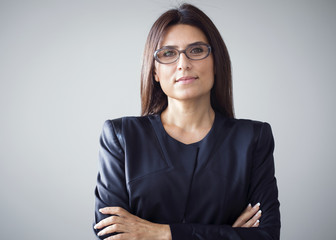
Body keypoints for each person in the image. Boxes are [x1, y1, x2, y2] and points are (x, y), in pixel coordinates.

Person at [93, 3, 280, 240]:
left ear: (216, 62)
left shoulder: (253, 138)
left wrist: (162, 233)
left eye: (197, 50)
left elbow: (267, 236)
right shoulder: (121, 136)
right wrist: (229, 234)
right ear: (154, 72)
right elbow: (110, 233)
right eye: (168, 54)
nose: (183, 64)